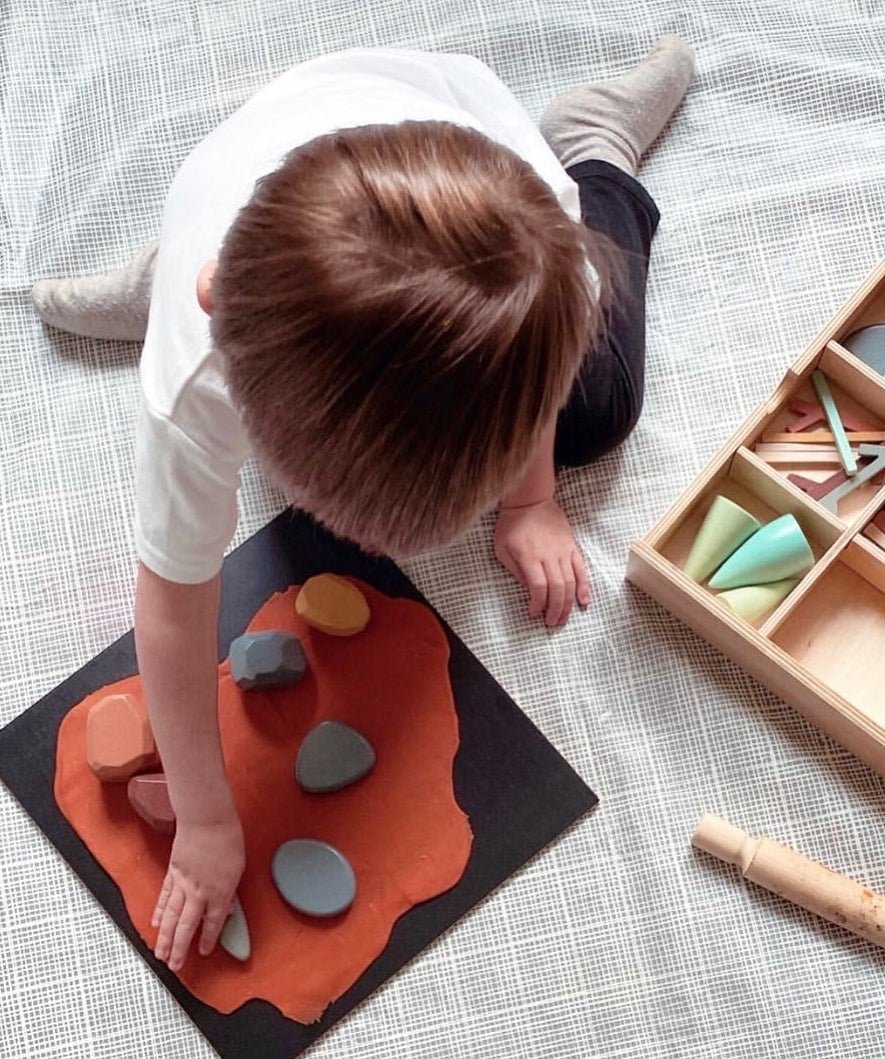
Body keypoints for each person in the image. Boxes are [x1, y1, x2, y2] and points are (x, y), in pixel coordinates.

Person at [32, 37, 694, 974]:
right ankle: (164, 275)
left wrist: (529, 500)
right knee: (208, 397)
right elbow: (173, 608)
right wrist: (209, 813)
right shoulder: (196, 384)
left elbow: (531, 388)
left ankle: (598, 153)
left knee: (599, 408)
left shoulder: (550, 259)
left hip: (469, 144)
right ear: (223, 308)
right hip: (238, 191)